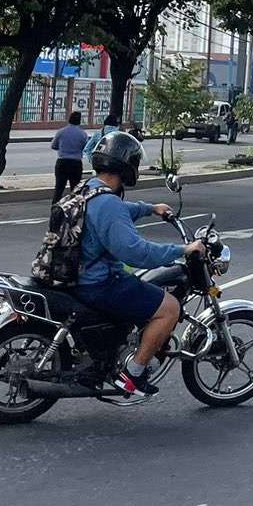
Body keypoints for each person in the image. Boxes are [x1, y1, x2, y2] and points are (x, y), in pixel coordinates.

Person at [71, 131, 206, 397]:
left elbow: (116, 212)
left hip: (75, 276)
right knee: (170, 308)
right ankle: (132, 373)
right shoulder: (109, 204)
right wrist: (183, 249)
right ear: (125, 166)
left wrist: (149, 208)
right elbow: (135, 253)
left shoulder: (88, 189)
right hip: (97, 283)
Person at [52, 111, 89, 204]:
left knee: (59, 188)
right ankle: (74, 209)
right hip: (76, 163)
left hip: (62, 162)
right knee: (76, 189)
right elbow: (85, 147)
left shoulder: (61, 132)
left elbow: (54, 146)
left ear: (69, 119)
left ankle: (55, 207)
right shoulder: (83, 134)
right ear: (79, 121)